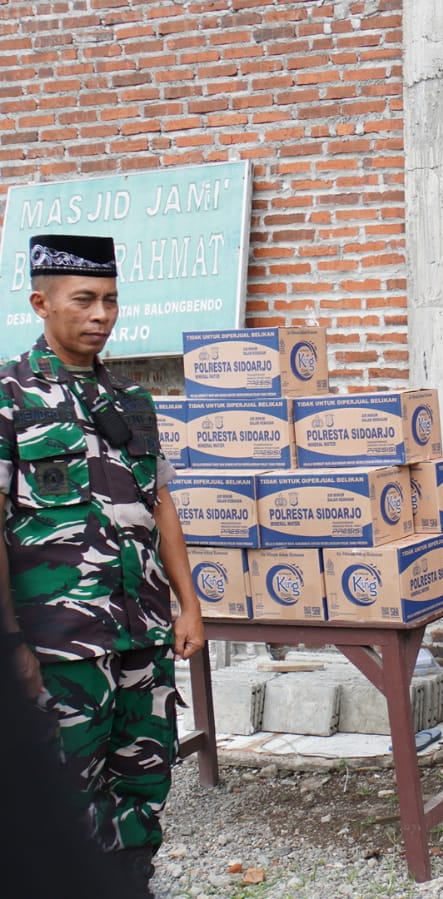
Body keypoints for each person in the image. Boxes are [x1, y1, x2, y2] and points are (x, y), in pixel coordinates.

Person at [0, 234, 205, 896]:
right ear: (41, 303)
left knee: (144, 779)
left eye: (111, 300)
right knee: (64, 790)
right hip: (59, 642)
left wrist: (189, 604)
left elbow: (160, 503)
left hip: (141, 630)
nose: (100, 315)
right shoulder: (10, 395)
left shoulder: (131, 398)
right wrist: (11, 640)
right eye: (84, 300)